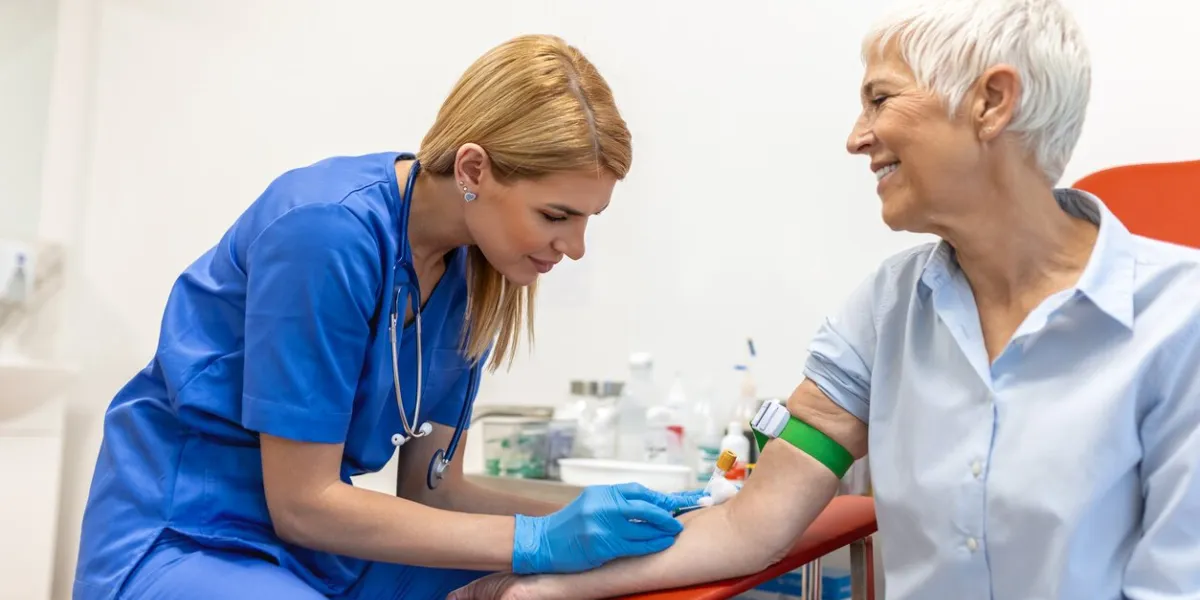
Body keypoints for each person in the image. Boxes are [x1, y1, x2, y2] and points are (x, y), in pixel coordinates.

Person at [448, 1, 1200, 599]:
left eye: (880, 98)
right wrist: (541, 589)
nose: (855, 136)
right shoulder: (886, 311)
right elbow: (750, 525)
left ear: (991, 102)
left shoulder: (1180, 322)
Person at [72, 34, 704, 600]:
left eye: (588, 219)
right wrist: (538, 538)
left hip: (320, 550)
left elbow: (435, 490)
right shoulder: (326, 234)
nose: (575, 247)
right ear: (473, 169)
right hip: (188, 536)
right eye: (555, 215)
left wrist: (595, 516)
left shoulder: (474, 268)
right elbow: (304, 504)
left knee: (591, 585)